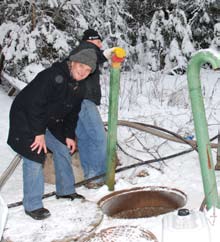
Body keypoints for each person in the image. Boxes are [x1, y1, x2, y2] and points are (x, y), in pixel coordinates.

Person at [7, 48, 97, 220]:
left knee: (63, 148)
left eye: (88, 70)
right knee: (34, 154)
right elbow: (34, 105)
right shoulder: (51, 76)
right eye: (81, 66)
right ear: (73, 62)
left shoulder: (80, 86)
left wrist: (69, 135)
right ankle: (32, 205)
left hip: (48, 120)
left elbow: (72, 113)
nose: (84, 72)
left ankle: (65, 191)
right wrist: (38, 133)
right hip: (26, 117)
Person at [69, 29, 114, 188]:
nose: (100, 44)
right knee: (99, 137)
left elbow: (96, 58)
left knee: (85, 138)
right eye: (98, 41)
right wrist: (110, 53)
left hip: (76, 100)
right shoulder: (86, 48)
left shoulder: (82, 50)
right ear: (90, 40)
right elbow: (96, 54)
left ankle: (91, 176)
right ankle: (101, 175)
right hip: (84, 99)